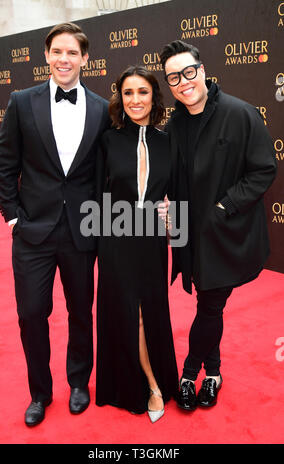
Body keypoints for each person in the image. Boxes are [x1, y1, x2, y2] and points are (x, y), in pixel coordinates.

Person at [0, 22, 110, 426]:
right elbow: (6, 165)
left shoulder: (100, 108)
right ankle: (39, 393)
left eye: (72, 53)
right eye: (57, 51)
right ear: (46, 56)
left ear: (85, 59)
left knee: (82, 310)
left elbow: (103, 172)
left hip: (82, 231)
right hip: (32, 232)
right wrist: (12, 218)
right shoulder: (21, 102)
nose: (64, 59)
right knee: (31, 313)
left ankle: (79, 382)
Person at [159, 40, 277, 410]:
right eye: (174, 77)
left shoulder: (240, 114)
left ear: (203, 70)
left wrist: (224, 207)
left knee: (209, 306)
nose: (183, 82)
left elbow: (264, 171)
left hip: (226, 235)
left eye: (188, 72)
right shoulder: (175, 123)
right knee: (211, 305)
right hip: (189, 237)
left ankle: (190, 374)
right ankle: (215, 372)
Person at [95, 65, 178, 422]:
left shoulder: (167, 141)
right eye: (128, 93)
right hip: (116, 236)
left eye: (142, 92)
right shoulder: (108, 139)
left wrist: (174, 219)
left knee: (153, 309)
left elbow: (176, 194)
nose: (135, 100)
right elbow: (97, 193)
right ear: (120, 98)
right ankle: (150, 385)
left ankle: (155, 377)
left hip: (153, 239)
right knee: (133, 312)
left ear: (154, 97)